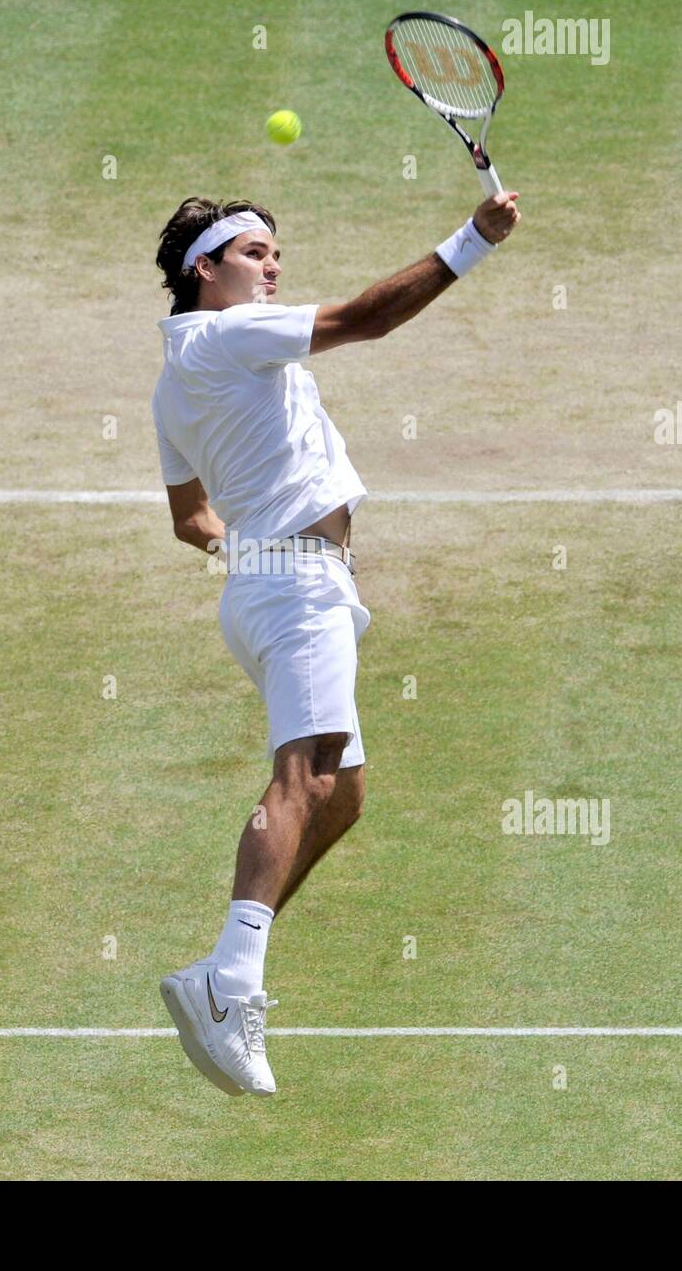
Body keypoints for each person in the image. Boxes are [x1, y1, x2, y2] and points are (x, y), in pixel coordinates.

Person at [151, 189, 521, 1096]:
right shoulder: (232, 335)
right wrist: (473, 240)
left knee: (341, 794)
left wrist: (248, 551)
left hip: (273, 586)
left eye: (276, 253)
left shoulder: (174, 377)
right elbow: (365, 317)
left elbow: (188, 517)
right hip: (296, 588)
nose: (271, 265)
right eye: (253, 251)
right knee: (305, 775)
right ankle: (228, 979)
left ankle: (235, 962)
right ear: (206, 268)